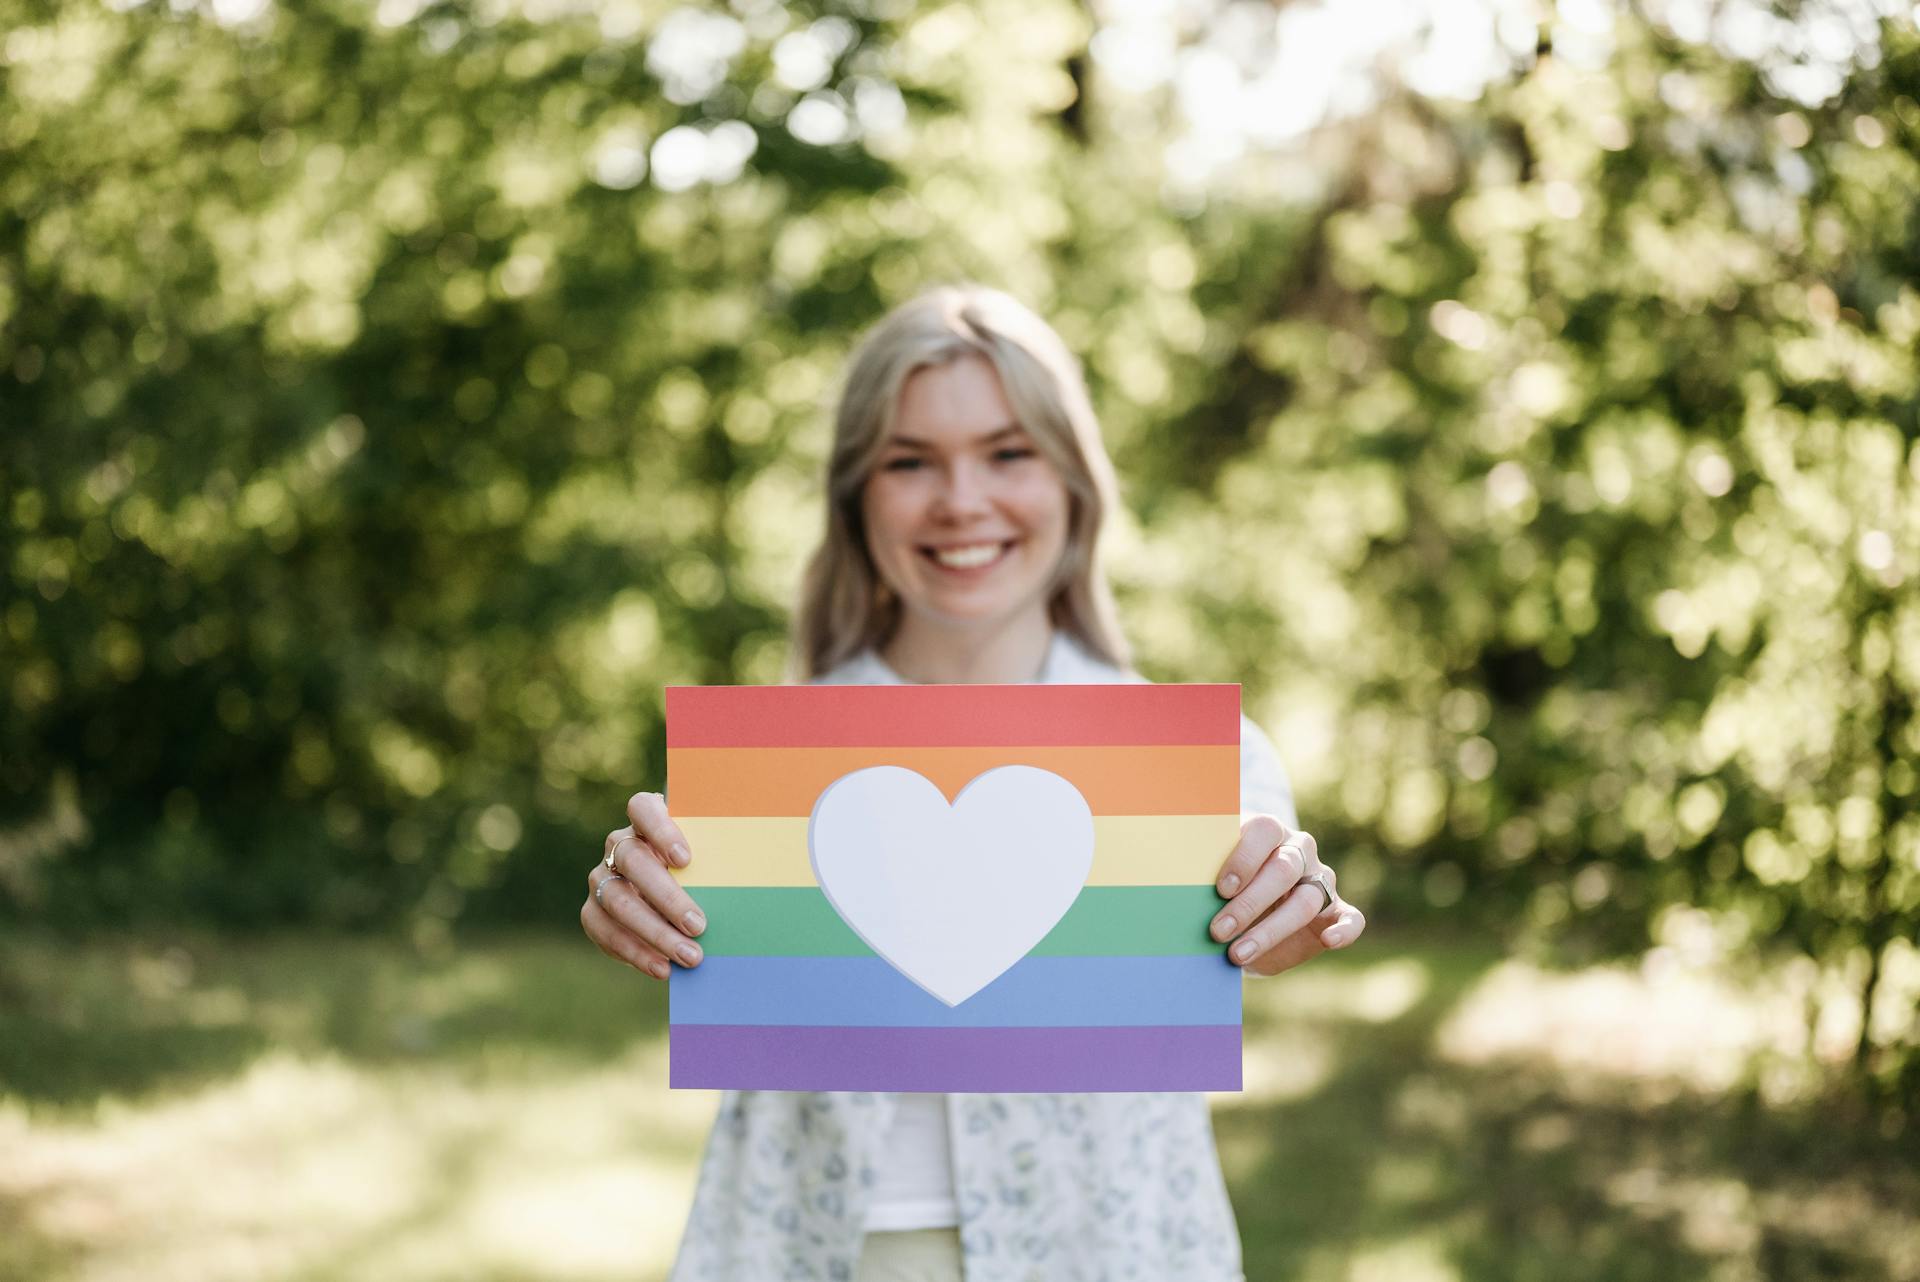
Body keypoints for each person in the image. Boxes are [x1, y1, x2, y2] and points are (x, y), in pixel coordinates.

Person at [580, 285, 1366, 1282]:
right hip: (809, 1248)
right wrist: (634, 900)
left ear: (1075, 483)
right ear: (856, 496)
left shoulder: (1198, 761)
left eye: (1008, 452)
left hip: (1105, 1249)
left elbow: (1269, 924)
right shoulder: (767, 766)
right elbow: (702, 939)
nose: (961, 499)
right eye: (910, 461)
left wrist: (1287, 915)